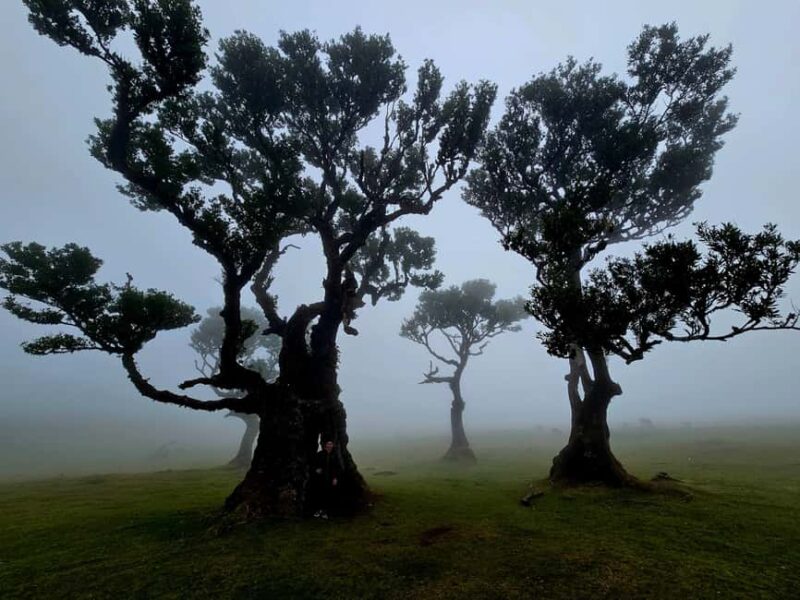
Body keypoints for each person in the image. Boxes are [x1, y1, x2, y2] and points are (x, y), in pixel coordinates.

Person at [311, 438, 340, 519]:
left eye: (331, 444)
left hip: (330, 478)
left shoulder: (335, 455)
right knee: (318, 494)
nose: (329, 445)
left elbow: (337, 468)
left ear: (333, 445)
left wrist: (335, 478)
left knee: (327, 495)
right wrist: (316, 469)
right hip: (320, 478)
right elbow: (314, 464)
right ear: (325, 445)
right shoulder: (320, 454)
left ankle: (325, 511)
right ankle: (318, 510)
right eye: (328, 444)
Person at [341, 267, 364, 336]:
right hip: (344, 295)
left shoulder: (347, 313)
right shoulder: (351, 284)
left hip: (343, 300)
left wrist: (347, 328)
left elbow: (345, 322)